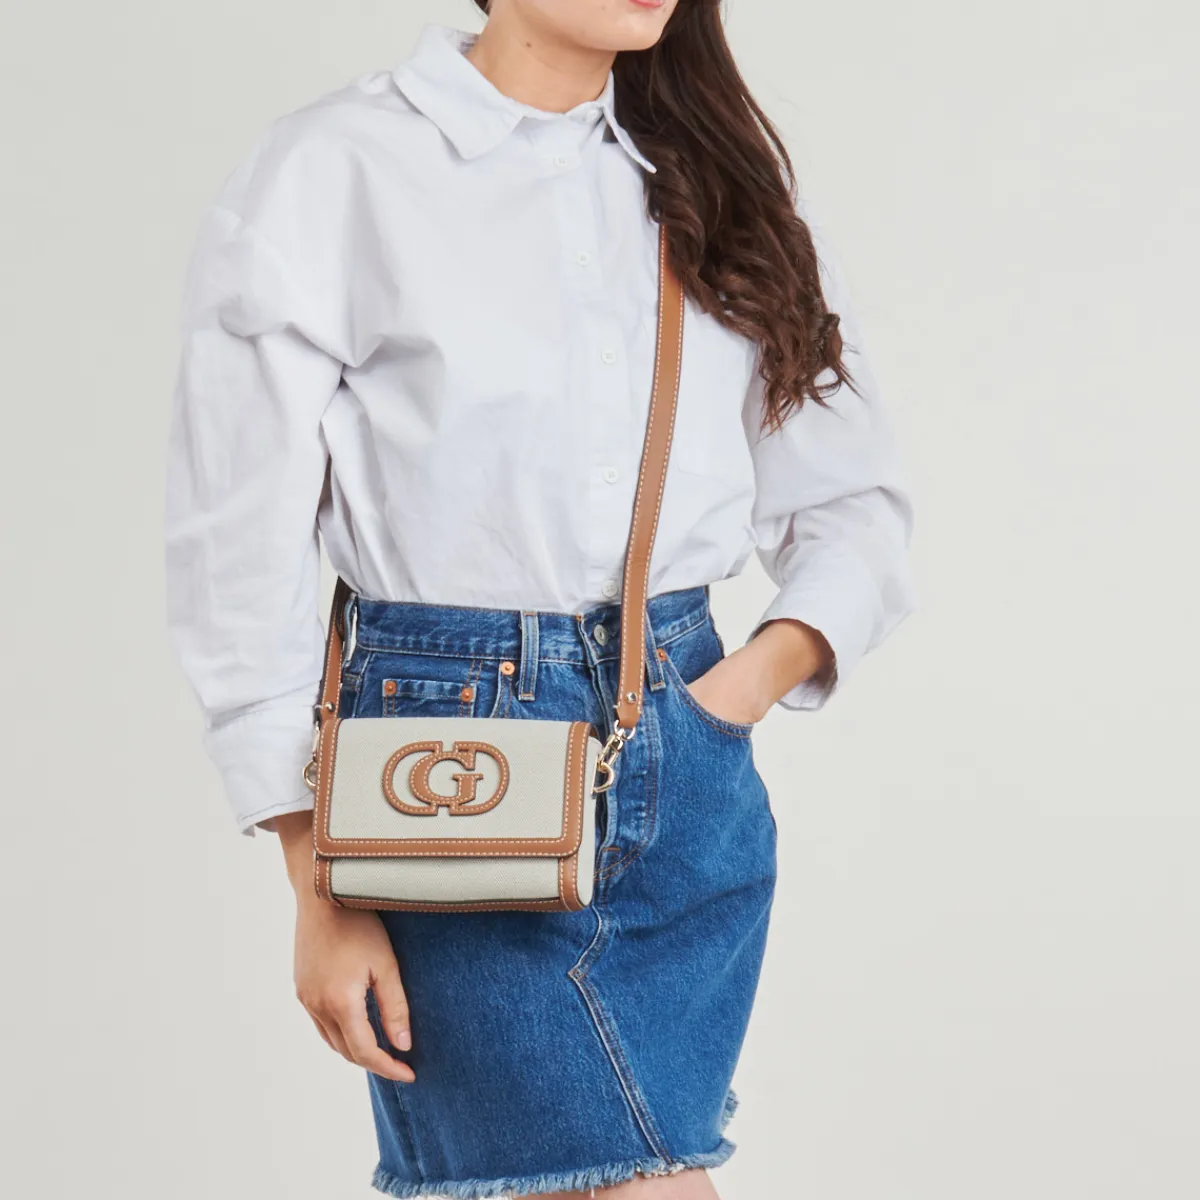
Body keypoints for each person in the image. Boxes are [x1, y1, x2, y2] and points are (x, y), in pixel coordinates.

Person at [164, 2, 915, 1197]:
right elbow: (234, 550)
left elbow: (851, 505)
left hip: (688, 768)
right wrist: (315, 878)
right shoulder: (336, 170)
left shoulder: (722, 174)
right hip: (448, 766)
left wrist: (728, 696)